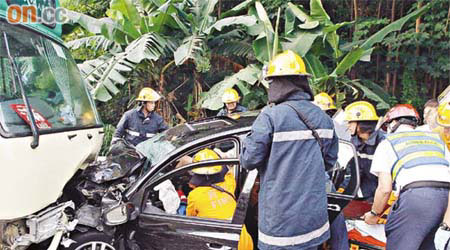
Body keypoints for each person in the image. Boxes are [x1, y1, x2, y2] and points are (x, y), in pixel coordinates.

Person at [241, 50, 338, 250]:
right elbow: (329, 162)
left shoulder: (270, 117)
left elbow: (249, 160)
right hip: (313, 223)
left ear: (278, 84)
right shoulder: (323, 118)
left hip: (280, 225)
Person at [364, 104, 450, 249]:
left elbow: (384, 189)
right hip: (444, 199)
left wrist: (374, 214)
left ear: (392, 123)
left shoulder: (388, 143)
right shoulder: (436, 140)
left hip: (416, 197)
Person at [187, 148, 253, 250]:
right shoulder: (229, 183)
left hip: (223, 244)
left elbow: (189, 221)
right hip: (243, 240)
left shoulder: (194, 195)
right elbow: (228, 171)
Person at [313, 92, 349, 250]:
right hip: (322, 177)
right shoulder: (331, 127)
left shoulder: (303, 125)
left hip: (313, 179)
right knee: (337, 223)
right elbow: (331, 158)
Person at [344, 101, 385, 199]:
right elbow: (354, 171)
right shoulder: (355, 142)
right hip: (366, 189)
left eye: (350, 122)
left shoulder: (383, 142)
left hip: (383, 190)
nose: (347, 125)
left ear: (361, 122)